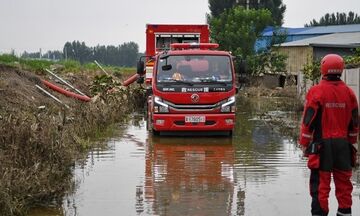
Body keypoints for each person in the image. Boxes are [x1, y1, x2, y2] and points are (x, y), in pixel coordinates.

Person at [299, 54, 359, 216]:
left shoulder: (316, 91)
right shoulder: (349, 93)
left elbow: (308, 121)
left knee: (320, 187)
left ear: (323, 68)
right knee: (344, 187)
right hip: (343, 147)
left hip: (322, 147)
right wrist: (352, 142)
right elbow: (355, 123)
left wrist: (304, 143)